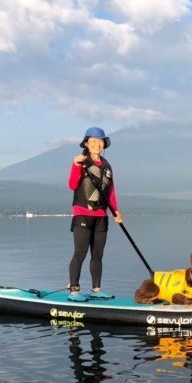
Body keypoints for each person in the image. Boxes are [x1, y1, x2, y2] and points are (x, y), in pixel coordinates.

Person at [67, 127, 123, 302]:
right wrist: (76, 165)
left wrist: (116, 211)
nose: (96, 144)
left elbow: (110, 191)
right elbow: (72, 184)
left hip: (102, 216)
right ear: (86, 144)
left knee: (98, 255)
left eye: (100, 141)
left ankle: (96, 290)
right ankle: (74, 291)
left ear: (104, 144)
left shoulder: (107, 165)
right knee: (80, 253)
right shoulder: (81, 161)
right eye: (92, 141)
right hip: (83, 214)